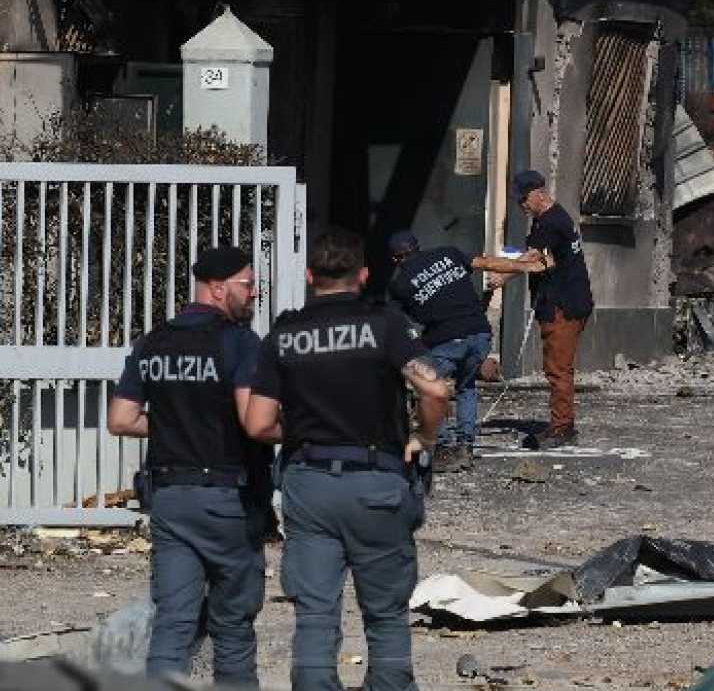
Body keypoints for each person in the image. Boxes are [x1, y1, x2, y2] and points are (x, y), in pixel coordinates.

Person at [242, 226, 452, 691]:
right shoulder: (385, 325)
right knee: (386, 612)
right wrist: (423, 436)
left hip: (310, 482)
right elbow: (435, 389)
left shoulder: (285, 334)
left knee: (315, 612)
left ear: (310, 276)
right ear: (363, 274)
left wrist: (301, 431)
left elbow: (257, 424)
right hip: (377, 480)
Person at [107, 245, 273, 685]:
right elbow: (251, 421)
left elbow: (120, 419)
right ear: (218, 288)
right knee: (233, 623)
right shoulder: (239, 342)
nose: (254, 293)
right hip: (227, 499)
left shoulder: (153, 341)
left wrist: (172, 424)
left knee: (173, 622)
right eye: (248, 284)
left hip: (170, 499)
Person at [474, 170, 594, 449]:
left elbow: (532, 259)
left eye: (523, 199)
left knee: (558, 369)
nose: (521, 206)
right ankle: (560, 423)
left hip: (564, 305)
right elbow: (546, 262)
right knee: (557, 367)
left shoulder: (550, 223)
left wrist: (493, 269)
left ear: (539, 194)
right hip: (565, 301)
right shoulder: (552, 218)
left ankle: (562, 428)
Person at [387, 229, 492, 471]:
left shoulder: (400, 285)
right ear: (418, 246)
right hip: (480, 335)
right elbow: (483, 263)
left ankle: (443, 447)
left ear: (395, 259)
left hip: (448, 341)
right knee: (466, 386)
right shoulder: (448, 254)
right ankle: (465, 446)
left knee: (427, 386)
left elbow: (394, 321)